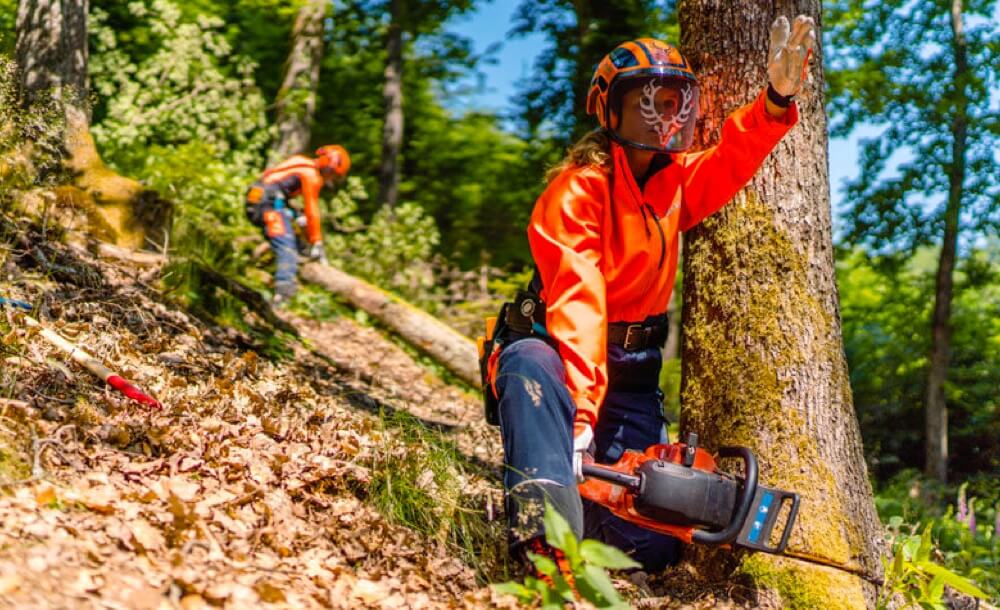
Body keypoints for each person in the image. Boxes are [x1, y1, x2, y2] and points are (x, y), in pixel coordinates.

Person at [484, 16, 817, 578]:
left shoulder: (675, 181)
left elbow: (730, 159)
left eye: (673, 100)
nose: (664, 114)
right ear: (611, 108)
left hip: (634, 372)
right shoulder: (577, 191)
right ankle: (545, 551)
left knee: (650, 546)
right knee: (526, 364)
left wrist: (775, 101)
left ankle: (583, 512)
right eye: (648, 100)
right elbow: (579, 300)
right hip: (561, 358)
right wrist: (581, 417)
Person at [245, 145, 351, 305]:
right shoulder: (311, 175)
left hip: (259, 198)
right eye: (333, 174)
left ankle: (297, 264)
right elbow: (312, 209)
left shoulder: (301, 161)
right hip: (267, 204)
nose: (331, 179)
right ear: (328, 167)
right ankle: (283, 295)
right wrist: (316, 241)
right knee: (287, 247)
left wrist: (298, 216)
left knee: (297, 237)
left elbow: (278, 187)